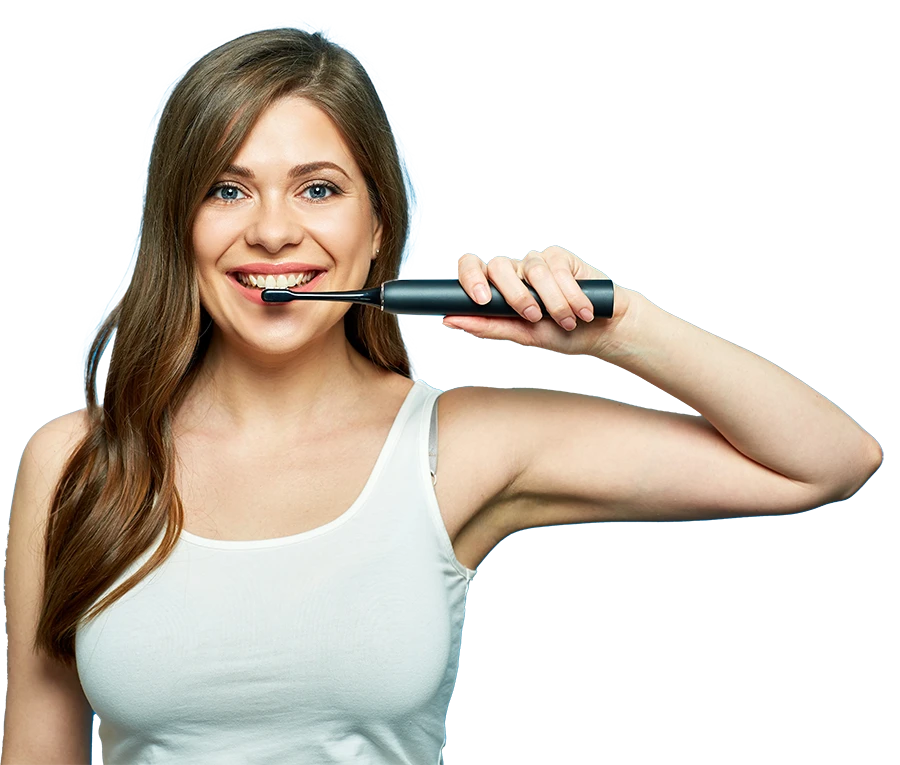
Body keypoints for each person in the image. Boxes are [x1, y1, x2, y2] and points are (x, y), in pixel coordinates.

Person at [1, 25, 882, 765]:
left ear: (377, 226)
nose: (271, 229)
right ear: (179, 224)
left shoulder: (456, 445)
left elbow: (829, 462)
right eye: (227, 190)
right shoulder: (78, 460)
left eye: (318, 189)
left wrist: (619, 330)